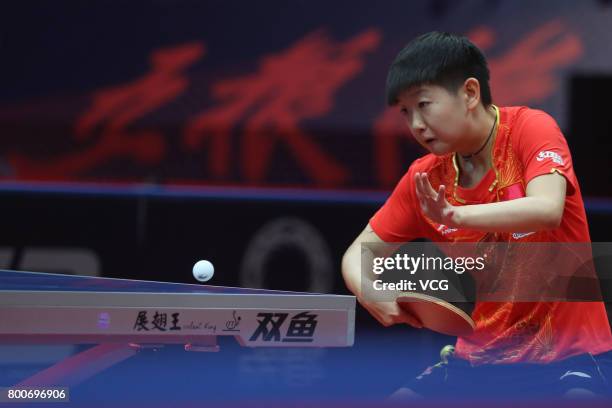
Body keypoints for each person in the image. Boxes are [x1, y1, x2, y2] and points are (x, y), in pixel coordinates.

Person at [341, 31, 612, 399]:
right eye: (406, 112)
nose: (416, 124)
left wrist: (457, 216)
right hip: (477, 363)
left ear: (470, 93)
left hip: (570, 360)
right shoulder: (425, 178)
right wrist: (370, 291)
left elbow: (547, 209)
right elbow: (357, 254)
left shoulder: (529, 130)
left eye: (424, 104)